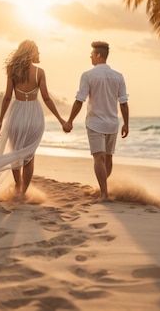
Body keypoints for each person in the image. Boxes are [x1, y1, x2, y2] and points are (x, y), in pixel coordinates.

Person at [0, 40, 66, 198]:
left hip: (16, 114)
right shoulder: (40, 72)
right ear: (31, 52)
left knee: (16, 152)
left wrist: (0, 121)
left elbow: (7, 97)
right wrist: (61, 120)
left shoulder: (12, 70)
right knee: (29, 156)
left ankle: (18, 186)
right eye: (37, 51)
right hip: (34, 115)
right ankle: (22, 193)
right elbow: (46, 98)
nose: (39, 54)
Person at [64, 41, 129, 201]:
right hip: (112, 123)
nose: (91, 57)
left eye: (92, 54)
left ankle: (104, 194)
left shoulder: (88, 75)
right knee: (107, 158)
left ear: (99, 55)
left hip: (95, 123)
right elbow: (123, 103)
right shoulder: (118, 76)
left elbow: (80, 100)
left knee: (99, 158)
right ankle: (103, 189)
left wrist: (70, 121)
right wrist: (126, 123)